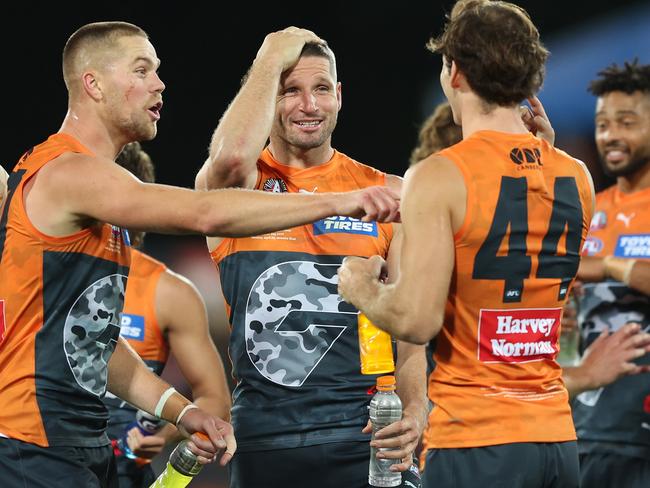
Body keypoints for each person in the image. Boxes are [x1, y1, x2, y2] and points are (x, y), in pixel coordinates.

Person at [0, 21, 399, 488]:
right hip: (30, 441)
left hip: (72, 441)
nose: (159, 83)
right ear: (93, 84)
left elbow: (89, 342)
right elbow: (207, 212)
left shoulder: (94, 193)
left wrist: (182, 410)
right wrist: (337, 200)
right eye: (141, 69)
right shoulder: (69, 172)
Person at [337, 1, 596, 487]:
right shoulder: (576, 176)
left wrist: (359, 285)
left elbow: (416, 319)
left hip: (477, 440)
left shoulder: (439, 174)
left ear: (454, 73)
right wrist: (545, 150)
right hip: (558, 440)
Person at [195, 27, 428, 488]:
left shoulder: (391, 194)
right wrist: (269, 56)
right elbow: (230, 156)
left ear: (339, 95)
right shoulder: (234, 191)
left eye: (321, 89)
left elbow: (412, 335)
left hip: (366, 436)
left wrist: (416, 410)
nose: (309, 105)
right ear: (266, 99)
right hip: (267, 439)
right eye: (290, 91)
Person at [102, 142, 232, 487]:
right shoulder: (41, 276)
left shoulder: (169, 293)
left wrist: (163, 433)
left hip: (122, 472)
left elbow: (215, 400)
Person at [561, 59, 650, 488]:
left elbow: (593, 270)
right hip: (586, 426)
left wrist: (609, 266)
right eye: (602, 124)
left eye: (626, 122)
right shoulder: (589, 208)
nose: (610, 135)